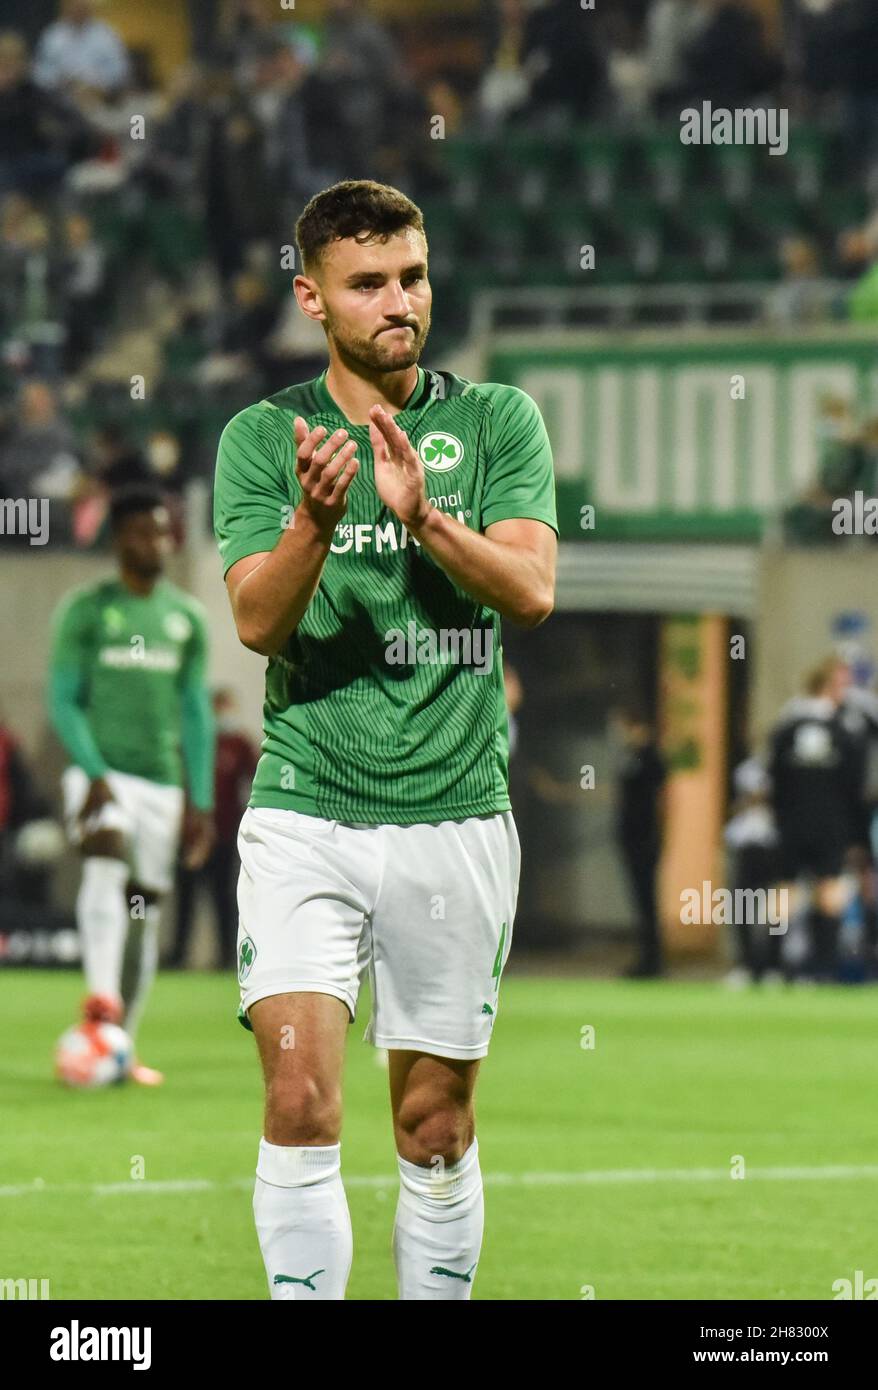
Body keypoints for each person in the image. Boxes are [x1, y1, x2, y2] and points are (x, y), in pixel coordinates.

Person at [213, 179, 557, 1300]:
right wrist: (314, 521)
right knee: (301, 1096)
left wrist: (422, 519)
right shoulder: (261, 439)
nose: (397, 301)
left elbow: (531, 590)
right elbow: (260, 621)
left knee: (433, 1123)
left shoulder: (497, 421)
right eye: (367, 284)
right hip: (306, 801)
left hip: (454, 811)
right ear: (313, 297)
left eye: (410, 275)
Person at [46, 484, 215, 1083]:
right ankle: (99, 1000)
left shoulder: (185, 619)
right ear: (119, 537)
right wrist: (93, 774)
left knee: (144, 914)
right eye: (146, 531)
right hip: (100, 776)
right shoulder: (87, 610)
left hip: (162, 786)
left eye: (165, 531)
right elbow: (62, 701)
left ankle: (121, 1045)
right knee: (104, 853)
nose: (159, 541)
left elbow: (196, 712)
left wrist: (201, 799)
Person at [768, 657, 862, 982]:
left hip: (792, 825)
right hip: (829, 826)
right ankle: (822, 969)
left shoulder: (787, 729)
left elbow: (775, 779)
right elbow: (855, 786)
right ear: (829, 685)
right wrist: (855, 835)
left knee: (784, 893)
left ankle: (772, 967)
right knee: (829, 893)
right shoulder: (844, 732)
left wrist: (779, 819)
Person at [171, 687, 258, 970]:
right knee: (186, 899)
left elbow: (256, 780)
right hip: (191, 835)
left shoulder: (240, 744)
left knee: (224, 898)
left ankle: (226, 957)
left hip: (224, 835)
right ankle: (178, 954)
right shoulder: (193, 743)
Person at [612, 703, 666, 979]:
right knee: (639, 900)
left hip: (646, 838)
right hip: (630, 838)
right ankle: (646, 958)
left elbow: (664, 800)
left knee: (648, 901)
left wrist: (660, 836)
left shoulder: (652, 757)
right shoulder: (629, 756)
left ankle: (654, 961)